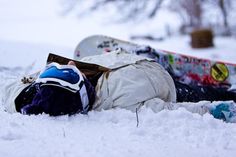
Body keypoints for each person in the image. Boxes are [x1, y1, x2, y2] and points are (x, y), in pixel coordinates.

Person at [2, 49, 236, 122]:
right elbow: (170, 112)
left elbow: (9, 91)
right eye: (71, 71)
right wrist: (214, 111)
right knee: (192, 94)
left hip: (131, 63)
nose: (71, 62)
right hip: (160, 81)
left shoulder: (34, 90)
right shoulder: (118, 102)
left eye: (57, 68)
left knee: (188, 90)